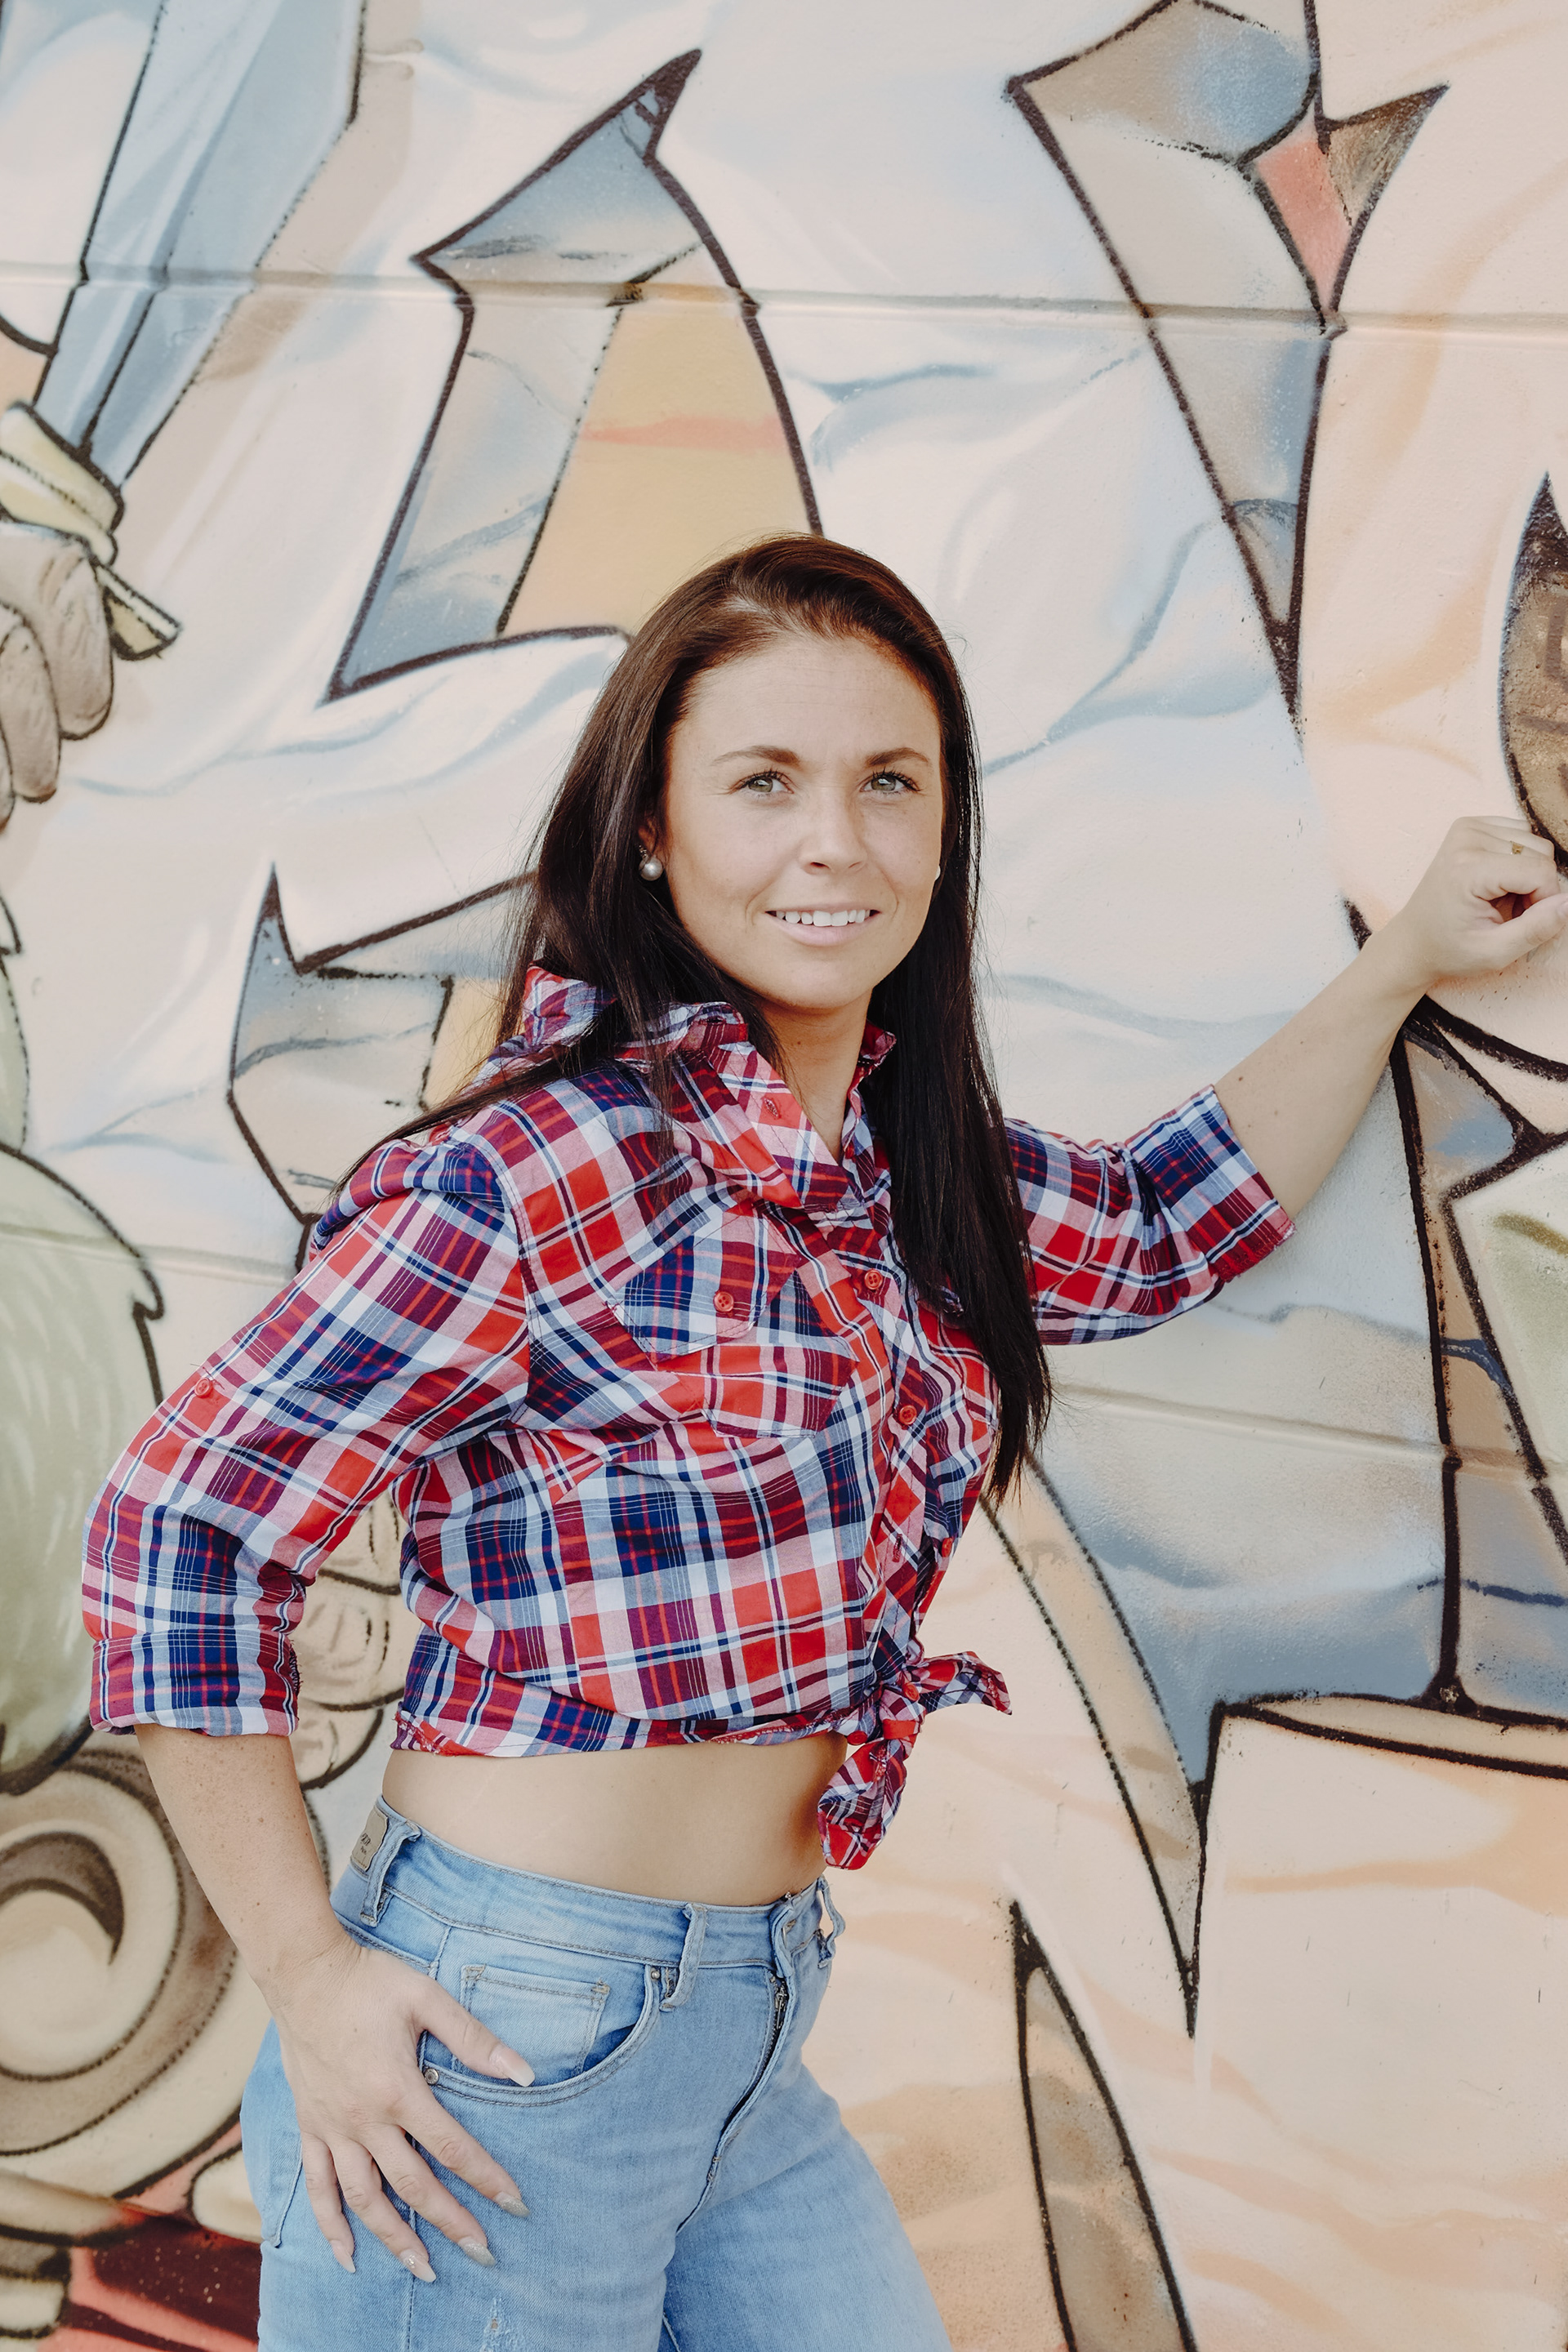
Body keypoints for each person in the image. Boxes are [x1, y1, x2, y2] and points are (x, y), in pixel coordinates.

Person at [82, 537, 1568, 2350]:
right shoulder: (542, 1169)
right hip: (503, 2034)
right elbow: (181, 1532)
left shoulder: (890, 1165)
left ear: (945, 831)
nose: (836, 844)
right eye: (765, 783)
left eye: (889, 784)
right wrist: (309, 1975)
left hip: (747, 2023)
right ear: (652, 827)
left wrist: (1405, 959)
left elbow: (1157, 1225)